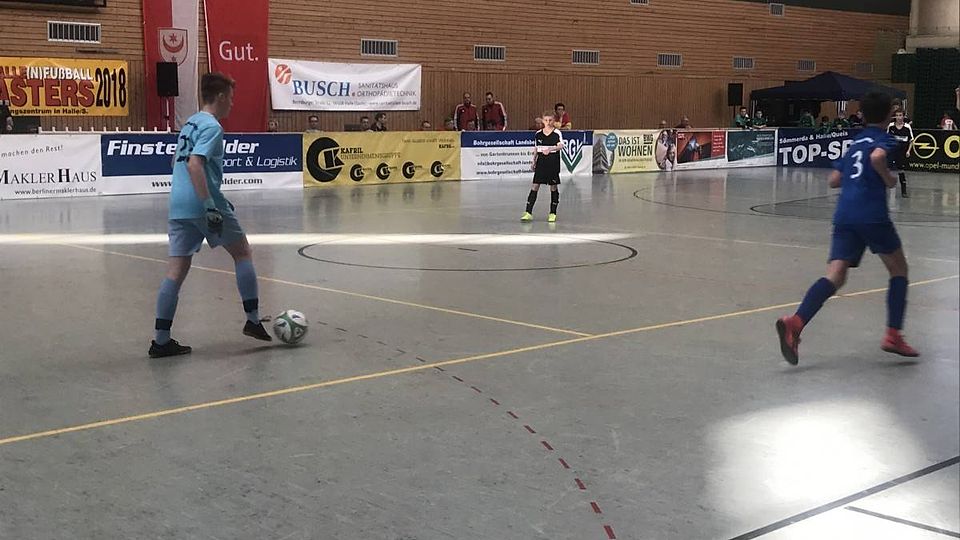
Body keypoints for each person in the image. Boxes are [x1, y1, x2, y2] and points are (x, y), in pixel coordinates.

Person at [775, 91, 918, 366]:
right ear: (889, 114)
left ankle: (796, 322)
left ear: (863, 115)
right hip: (871, 214)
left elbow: (834, 180)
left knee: (836, 275)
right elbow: (877, 158)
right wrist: (888, 179)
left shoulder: (854, 143)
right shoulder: (883, 139)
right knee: (899, 269)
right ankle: (893, 335)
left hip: (844, 215)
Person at [148, 72, 272, 358]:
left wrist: (214, 194)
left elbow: (176, 162)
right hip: (201, 204)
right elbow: (195, 164)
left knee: (176, 271)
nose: (232, 103)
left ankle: (161, 340)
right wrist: (209, 205)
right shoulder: (213, 126)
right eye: (231, 97)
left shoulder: (189, 124)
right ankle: (253, 320)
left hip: (178, 204)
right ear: (220, 97)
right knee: (242, 252)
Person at [521, 111, 564, 223]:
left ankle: (552, 213)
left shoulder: (557, 133)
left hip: (553, 163)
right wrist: (533, 161)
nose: (548, 122)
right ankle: (528, 212)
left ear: (554, 121)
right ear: (542, 120)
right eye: (546, 120)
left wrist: (551, 149)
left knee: (553, 187)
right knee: (535, 185)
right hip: (541, 163)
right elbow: (536, 148)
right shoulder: (538, 134)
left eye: (550, 120)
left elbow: (561, 146)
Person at [887, 109, 914, 197]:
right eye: (897, 115)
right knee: (887, 170)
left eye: (900, 115)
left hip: (901, 153)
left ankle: (904, 191)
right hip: (892, 152)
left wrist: (908, 151)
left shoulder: (907, 127)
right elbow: (887, 138)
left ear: (903, 116)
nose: (899, 117)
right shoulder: (891, 126)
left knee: (901, 171)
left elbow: (911, 140)